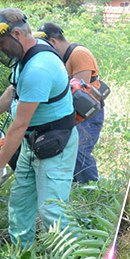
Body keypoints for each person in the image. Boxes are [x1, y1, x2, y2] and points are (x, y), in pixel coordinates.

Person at [0, 8, 78, 247]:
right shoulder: (25, 57)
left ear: (16, 34)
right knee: (20, 205)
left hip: (54, 143)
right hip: (31, 142)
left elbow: (18, 126)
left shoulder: (39, 69)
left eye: (0, 43)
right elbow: (13, 90)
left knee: (52, 212)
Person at [35, 22, 104, 184]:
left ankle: (92, 189)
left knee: (80, 150)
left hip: (88, 111)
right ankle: (74, 187)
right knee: (66, 150)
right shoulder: (61, 59)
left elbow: (81, 94)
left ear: (52, 42)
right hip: (70, 111)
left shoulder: (79, 54)